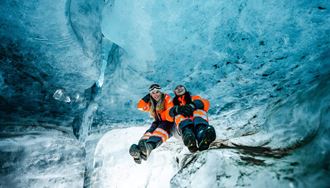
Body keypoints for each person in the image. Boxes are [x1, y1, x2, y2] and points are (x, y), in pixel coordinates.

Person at [129, 84, 174, 164]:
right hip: (157, 122)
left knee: (159, 131)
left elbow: (170, 112)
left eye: (157, 92)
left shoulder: (166, 100)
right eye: (153, 93)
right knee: (149, 132)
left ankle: (149, 146)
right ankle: (139, 151)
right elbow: (140, 106)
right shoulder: (151, 103)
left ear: (161, 92)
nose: (156, 94)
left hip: (168, 122)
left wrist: (165, 96)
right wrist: (149, 96)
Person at [169, 85, 216, 153]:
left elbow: (206, 103)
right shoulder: (172, 104)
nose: (179, 89)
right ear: (174, 92)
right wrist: (176, 109)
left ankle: (203, 135)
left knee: (199, 111)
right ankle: (189, 138)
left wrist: (193, 105)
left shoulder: (194, 98)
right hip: (184, 126)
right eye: (176, 88)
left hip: (198, 123)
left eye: (181, 87)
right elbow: (167, 115)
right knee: (179, 116)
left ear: (185, 88)